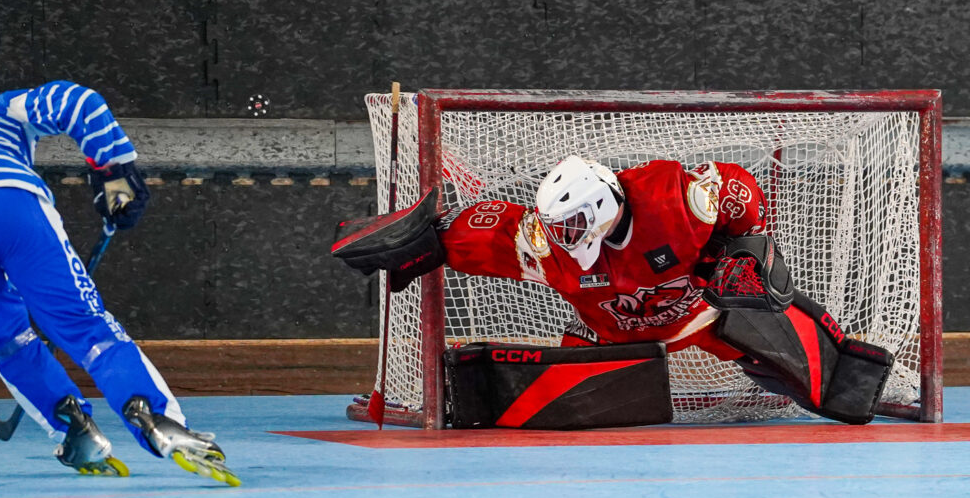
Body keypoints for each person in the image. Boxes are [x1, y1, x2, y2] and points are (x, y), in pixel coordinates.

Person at [332, 155, 895, 425]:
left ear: (603, 208)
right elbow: (487, 230)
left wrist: (747, 244)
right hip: (609, 341)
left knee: (841, 389)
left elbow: (737, 192)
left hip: (701, 317)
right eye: (556, 227)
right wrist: (428, 235)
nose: (562, 238)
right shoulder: (545, 244)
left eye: (573, 225)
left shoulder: (677, 202)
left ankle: (852, 377)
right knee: (560, 421)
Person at [0, 57, 238, 484]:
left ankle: (72, 430)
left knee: (3, 340)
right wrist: (115, 176)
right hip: (9, 200)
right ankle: (157, 418)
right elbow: (78, 101)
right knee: (85, 325)